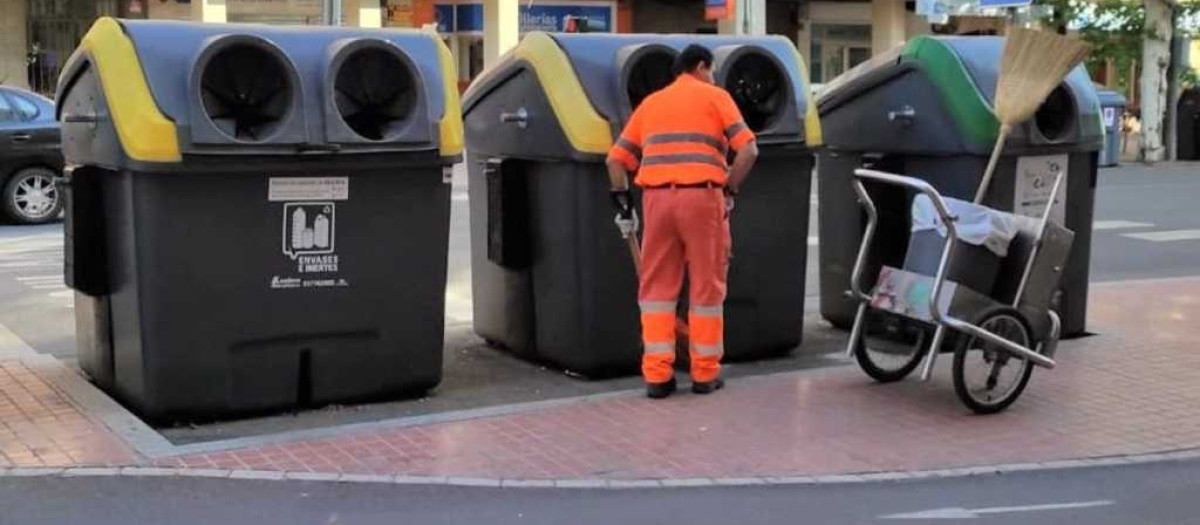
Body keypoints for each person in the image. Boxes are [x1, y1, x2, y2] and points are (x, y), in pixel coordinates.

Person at [605, 44, 759, 399]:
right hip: (702, 198)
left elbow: (616, 160)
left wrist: (623, 201)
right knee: (706, 288)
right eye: (713, 70)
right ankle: (705, 374)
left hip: (656, 200)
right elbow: (749, 149)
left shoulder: (652, 103)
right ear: (701, 66)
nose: (714, 77)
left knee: (656, 290)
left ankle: (657, 376)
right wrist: (730, 187)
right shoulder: (714, 96)